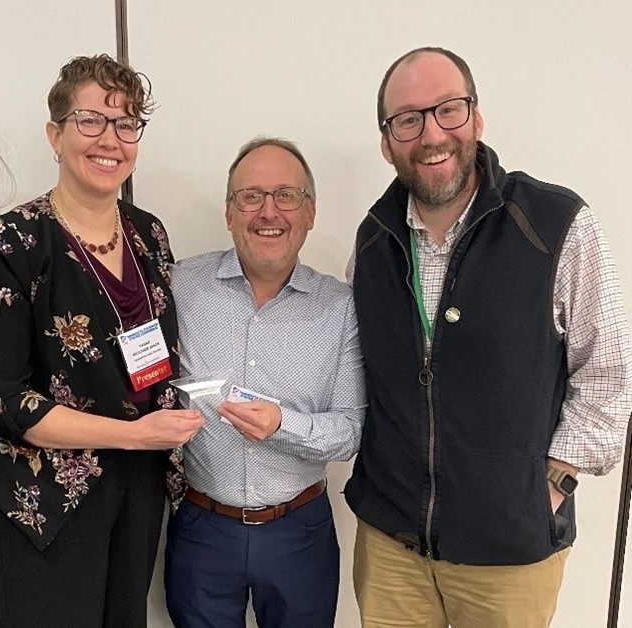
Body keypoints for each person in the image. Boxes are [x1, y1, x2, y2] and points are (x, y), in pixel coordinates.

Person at [346, 46, 632, 628]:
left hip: (511, 555)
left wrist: (550, 485)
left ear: (476, 118)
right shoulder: (373, 241)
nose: (431, 134)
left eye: (447, 109)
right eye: (407, 119)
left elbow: (608, 375)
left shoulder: (556, 225)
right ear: (387, 141)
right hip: (392, 549)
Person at [0, 54, 203, 628]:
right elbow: (3, 401)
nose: (110, 139)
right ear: (55, 134)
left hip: (139, 484)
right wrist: (132, 434)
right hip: (48, 497)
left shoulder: (149, 233)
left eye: (126, 124)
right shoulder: (11, 241)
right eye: (91, 120)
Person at [163, 137, 367, 628]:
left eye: (286, 195)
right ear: (230, 213)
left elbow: (351, 433)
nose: (268, 212)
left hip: (299, 532)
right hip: (202, 527)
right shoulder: (179, 284)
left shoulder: (340, 307)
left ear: (311, 211)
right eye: (251, 196)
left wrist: (282, 424)